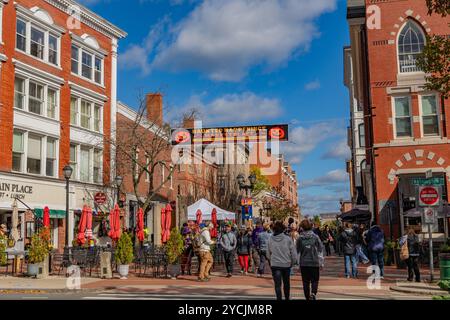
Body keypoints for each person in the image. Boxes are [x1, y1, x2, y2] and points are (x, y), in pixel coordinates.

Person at [267, 221, 297, 300]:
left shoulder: (270, 239)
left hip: (275, 264)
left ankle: (279, 298)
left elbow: (267, 253)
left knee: (277, 284)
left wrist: (271, 261)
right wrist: (293, 262)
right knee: (286, 283)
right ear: (283, 229)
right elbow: (293, 253)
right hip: (286, 264)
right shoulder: (288, 239)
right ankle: (287, 297)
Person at [296, 219, 324, 300]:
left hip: (304, 263)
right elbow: (320, 250)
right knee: (315, 280)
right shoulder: (315, 237)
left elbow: (297, 252)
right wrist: (321, 263)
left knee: (305, 282)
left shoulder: (300, 238)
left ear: (302, 227)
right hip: (314, 262)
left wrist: (297, 265)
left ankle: (307, 297)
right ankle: (313, 293)